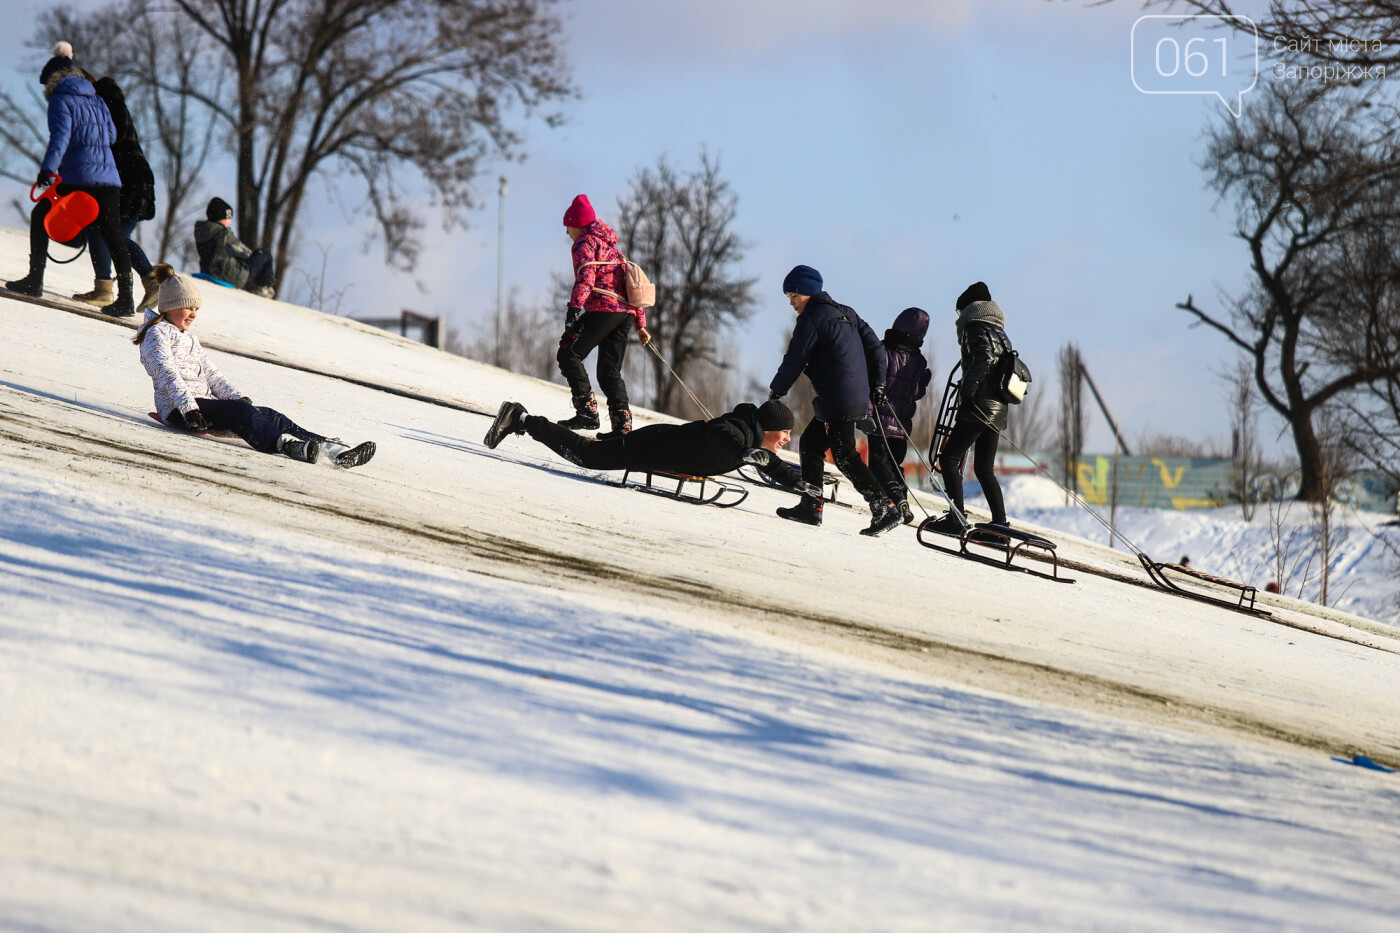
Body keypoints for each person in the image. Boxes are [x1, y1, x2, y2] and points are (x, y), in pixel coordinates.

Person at [135, 264, 375, 467]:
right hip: (179, 410)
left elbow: (211, 373)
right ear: (170, 307)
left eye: (197, 309)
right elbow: (166, 374)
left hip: (201, 407)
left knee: (268, 414)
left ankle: (330, 450)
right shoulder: (156, 334)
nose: (194, 314)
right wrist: (189, 409)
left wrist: (237, 397)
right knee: (240, 413)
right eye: (189, 307)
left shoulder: (188, 337)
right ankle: (286, 446)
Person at [767, 264, 902, 537]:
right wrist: (877, 385)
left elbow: (796, 357)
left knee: (844, 456)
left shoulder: (812, 318)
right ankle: (811, 505)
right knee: (812, 444)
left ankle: (885, 506)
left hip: (837, 397)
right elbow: (876, 347)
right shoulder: (846, 312)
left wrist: (777, 390)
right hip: (853, 395)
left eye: (794, 296)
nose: (792, 303)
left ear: (807, 293)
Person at [3, 42, 136, 318]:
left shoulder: (60, 100)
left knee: (42, 214)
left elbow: (60, 138)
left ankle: (34, 280)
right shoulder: (97, 99)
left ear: (53, 80)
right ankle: (126, 298)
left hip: (80, 176)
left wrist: (48, 171)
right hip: (109, 179)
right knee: (113, 234)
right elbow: (111, 135)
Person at [484, 397, 814, 495]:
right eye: (784, 432)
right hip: (652, 446)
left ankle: (524, 419)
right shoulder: (737, 431)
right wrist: (744, 453)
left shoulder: (753, 443)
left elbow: (770, 463)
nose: (786, 439)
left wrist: (797, 483)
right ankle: (522, 418)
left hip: (659, 447)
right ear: (768, 428)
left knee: (590, 453)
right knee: (585, 456)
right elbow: (720, 438)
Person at [556, 194, 651, 437]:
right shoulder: (613, 250)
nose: (567, 232)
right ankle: (623, 429)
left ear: (577, 224)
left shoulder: (585, 243)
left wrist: (574, 308)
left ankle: (587, 413)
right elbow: (632, 287)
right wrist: (641, 324)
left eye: (568, 226)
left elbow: (585, 277)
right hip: (625, 315)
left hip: (603, 310)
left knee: (569, 353)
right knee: (609, 371)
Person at [926, 281, 1013, 534]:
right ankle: (1000, 525)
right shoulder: (1000, 331)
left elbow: (984, 359)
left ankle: (956, 518)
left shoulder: (975, 326)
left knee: (949, 459)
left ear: (970, 308)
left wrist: (968, 392)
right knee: (985, 468)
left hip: (978, 405)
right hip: (998, 408)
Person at [74, 76, 157, 310]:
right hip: (132, 177)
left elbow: (113, 138)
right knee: (100, 229)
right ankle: (103, 288)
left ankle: (152, 281)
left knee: (115, 235)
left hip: (129, 179)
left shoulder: (106, 103)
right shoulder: (111, 102)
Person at [861, 306, 933, 525]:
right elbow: (916, 394)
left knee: (878, 464)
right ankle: (902, 500)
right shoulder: (919, 361)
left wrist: (866, 414)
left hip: (880, 420)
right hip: (902, 426)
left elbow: (869, 384)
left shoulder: (881, 351)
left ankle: (895, 500)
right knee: (894, 465)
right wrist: (922, 385)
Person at [193, 197, 276, 298]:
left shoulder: (201, 231)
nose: (229, 222)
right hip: (230, 275)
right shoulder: (223, 234)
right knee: (265, 254)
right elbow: (244, 252)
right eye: (228, 218)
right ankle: (263, 289)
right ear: (220, 218)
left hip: (207, 271)